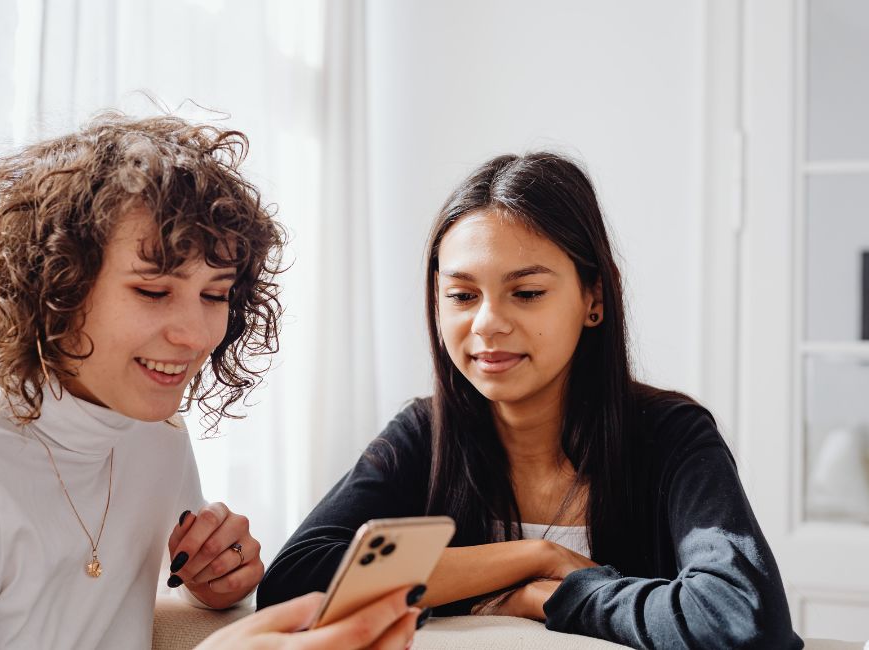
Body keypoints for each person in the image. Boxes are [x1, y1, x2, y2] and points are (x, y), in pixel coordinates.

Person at [0, 113, 423, 649]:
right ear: (56, 286)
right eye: (153, 290)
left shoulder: (155, 442)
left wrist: (214, 581)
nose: (195, 333)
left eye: (215, 294)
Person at [257, 153, 804, 649]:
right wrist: (533, 558)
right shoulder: (425, 434)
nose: (488, 322)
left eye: (527, 293)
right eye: (463, 296)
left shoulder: (669, 435)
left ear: (594, 298)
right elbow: (294, 585)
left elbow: (741, 620)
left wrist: (555, 595)